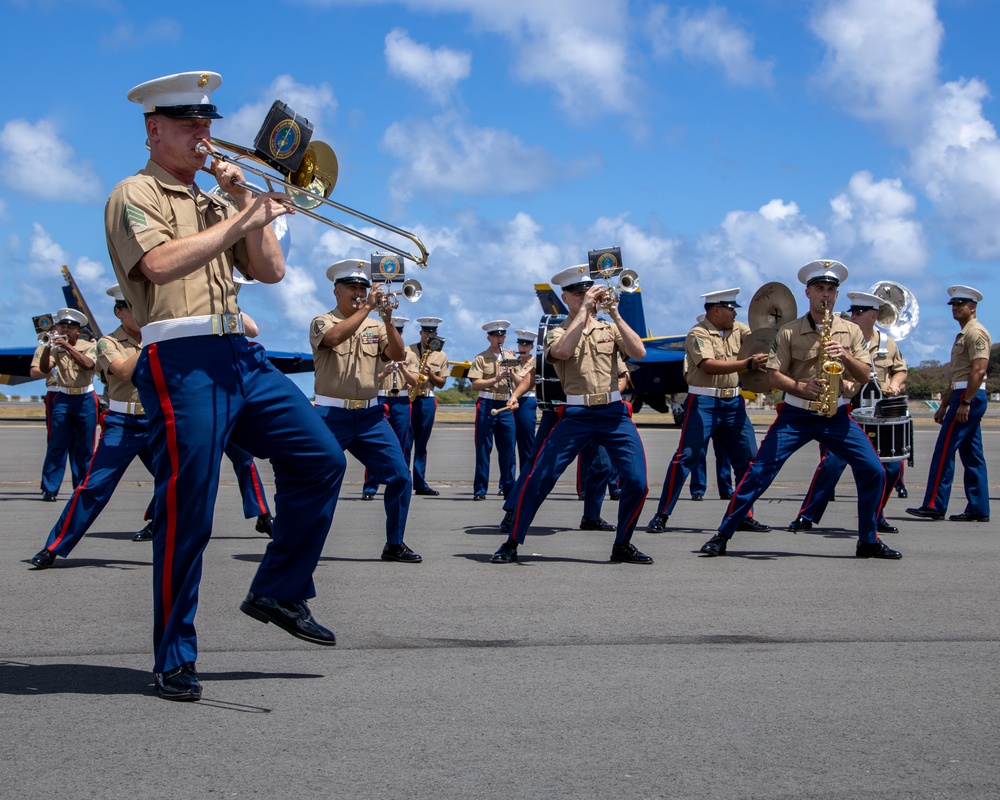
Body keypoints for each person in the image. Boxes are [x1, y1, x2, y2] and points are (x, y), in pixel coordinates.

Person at [105, 70, 347, 702]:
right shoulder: (135, 193)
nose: (204, 138)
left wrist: (248, 207)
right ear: (155, 130)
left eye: (208, 126)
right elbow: (157, 266)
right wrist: (236, 222)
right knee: (191, 513)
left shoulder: (218, 199)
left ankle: (279, 590)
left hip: (240, 352)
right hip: (180, 355)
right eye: (190, 127)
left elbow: (270, 270)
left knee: (321, 459)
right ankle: (174, 656)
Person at [698, 260, 901, 560]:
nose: (826, 295)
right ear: (807, 292)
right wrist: (801, 388)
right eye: (820, 289)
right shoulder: (790, 332)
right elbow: (774, 375)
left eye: (831, 290)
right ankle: (723, 534)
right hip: (796, 415)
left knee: (873, 470)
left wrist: (844, 357)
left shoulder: (851, 332)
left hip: (837, 415)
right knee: (760, 473)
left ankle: (868, 539)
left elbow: (863, 376)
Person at [491, 264, 652, 564]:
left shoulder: (609, 327)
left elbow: (639, 353)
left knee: (637, 481)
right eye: (577, 294)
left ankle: (623, 543)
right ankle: (512, 540)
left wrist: (615, 313)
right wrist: (583, 313)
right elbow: (562, 353)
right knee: (540, 478)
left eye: (587, 292)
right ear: (565, 298)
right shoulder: (557, 332)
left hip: (613, 412)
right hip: (576, 413)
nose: (585, 297)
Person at [310, 259, 421, 562]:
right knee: (323, 480)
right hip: (332, 415)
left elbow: (398, 354)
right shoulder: (323, 321)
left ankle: (394, 544)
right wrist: (367, 308)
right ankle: (306, 542)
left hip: (371, 416)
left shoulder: (375, 324)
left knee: (400, 476)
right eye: (351, 288)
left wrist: (387, 319)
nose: (358, 293)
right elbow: (333, 340)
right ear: (336, 291)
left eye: (362, 288)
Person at [646, 289, 771, 534]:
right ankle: (662, 515)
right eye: (731, 308)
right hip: (704, 402)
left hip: (734, 404)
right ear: (716, 310)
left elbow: (760, 339)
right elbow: (708, 365)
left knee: (748, 460)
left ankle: (744, 514)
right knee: (686, 458)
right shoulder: (697, 334)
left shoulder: (739, 329)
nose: (735, 312)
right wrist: (747, 363)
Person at [788, 291, 907, 535]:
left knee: (891, 469)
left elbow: (900, 370)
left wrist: (896, 382)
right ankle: (808, 514)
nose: (853, 315)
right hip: (849, 410)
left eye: (859, 312)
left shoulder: (888, 344)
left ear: (873, 316)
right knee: (832, 462)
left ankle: (876, 516)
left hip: (878, 414)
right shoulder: (842, 338)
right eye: (852, 311)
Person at [906, 285, 991, 523]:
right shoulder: (965, 333)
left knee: (944, 450)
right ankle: (978, 507)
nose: (955, 308)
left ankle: (934, 504)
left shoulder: (976, 333)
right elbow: (958, 377)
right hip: (962, 395)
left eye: (960, 304)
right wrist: (944, 405)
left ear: (972, 308)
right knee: (972, 455)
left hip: (969, 397)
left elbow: (979, 370)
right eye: (953, 305)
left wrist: (965, 402)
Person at [30, 308, 99, 502]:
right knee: (57, 444)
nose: (65, 331)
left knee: (84, 447)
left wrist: (68, 347)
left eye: (69, 328)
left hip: (85, 398)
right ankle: (50, 488)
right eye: (62, 326)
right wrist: (47, 348)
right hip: (63, 397)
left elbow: (88, 364)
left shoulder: (89, 346)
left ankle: (82, 486)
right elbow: (44, 368)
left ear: (78, 330)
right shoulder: (55, 347)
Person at [362, 316, 419, 500]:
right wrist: (383, 373)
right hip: (380, 397)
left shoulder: (409, 355)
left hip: (401, 400)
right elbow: (366, 379)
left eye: (399, 332)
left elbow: (415, 381)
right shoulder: (375, 353)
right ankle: (370, 487)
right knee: (374, 445)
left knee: (401, 444)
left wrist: (402, 370)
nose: (396, 334)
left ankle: (399, 484)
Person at [468, 320, 518, 500]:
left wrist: (512, 372)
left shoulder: (511, 356)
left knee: (508, 450)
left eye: (502, 335)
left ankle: (508, 488)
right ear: (489, 337)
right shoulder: (481, 358)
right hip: (487, 403)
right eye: (496, 335)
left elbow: (521, 383)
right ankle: (480, 490)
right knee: (483, 448)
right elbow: (475, 384)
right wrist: (495, 379)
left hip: (505, 405)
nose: (500, 338)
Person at [408, 317, 450, 496]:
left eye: (433, 332)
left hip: (426, 399)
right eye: (427, 332)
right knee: (405, 443)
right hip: (410, 399)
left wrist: (430, 373)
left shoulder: (441, 355)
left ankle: (419, 483)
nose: (430, 335)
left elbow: (442, 383)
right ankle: (402, 480)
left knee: (421, 444)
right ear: (421, 333)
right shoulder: (408, 350)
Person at [511, 329, 538, 472]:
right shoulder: (512, 361)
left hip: (527, 400)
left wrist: (511, 373)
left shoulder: (535, 363)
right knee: (508, 444)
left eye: (526, 344)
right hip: (510, 400)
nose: (523, 347)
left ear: (532, 347)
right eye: (520, 344)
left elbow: (525, 384)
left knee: (526, 444)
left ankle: (525, 477)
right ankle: (506, 483)